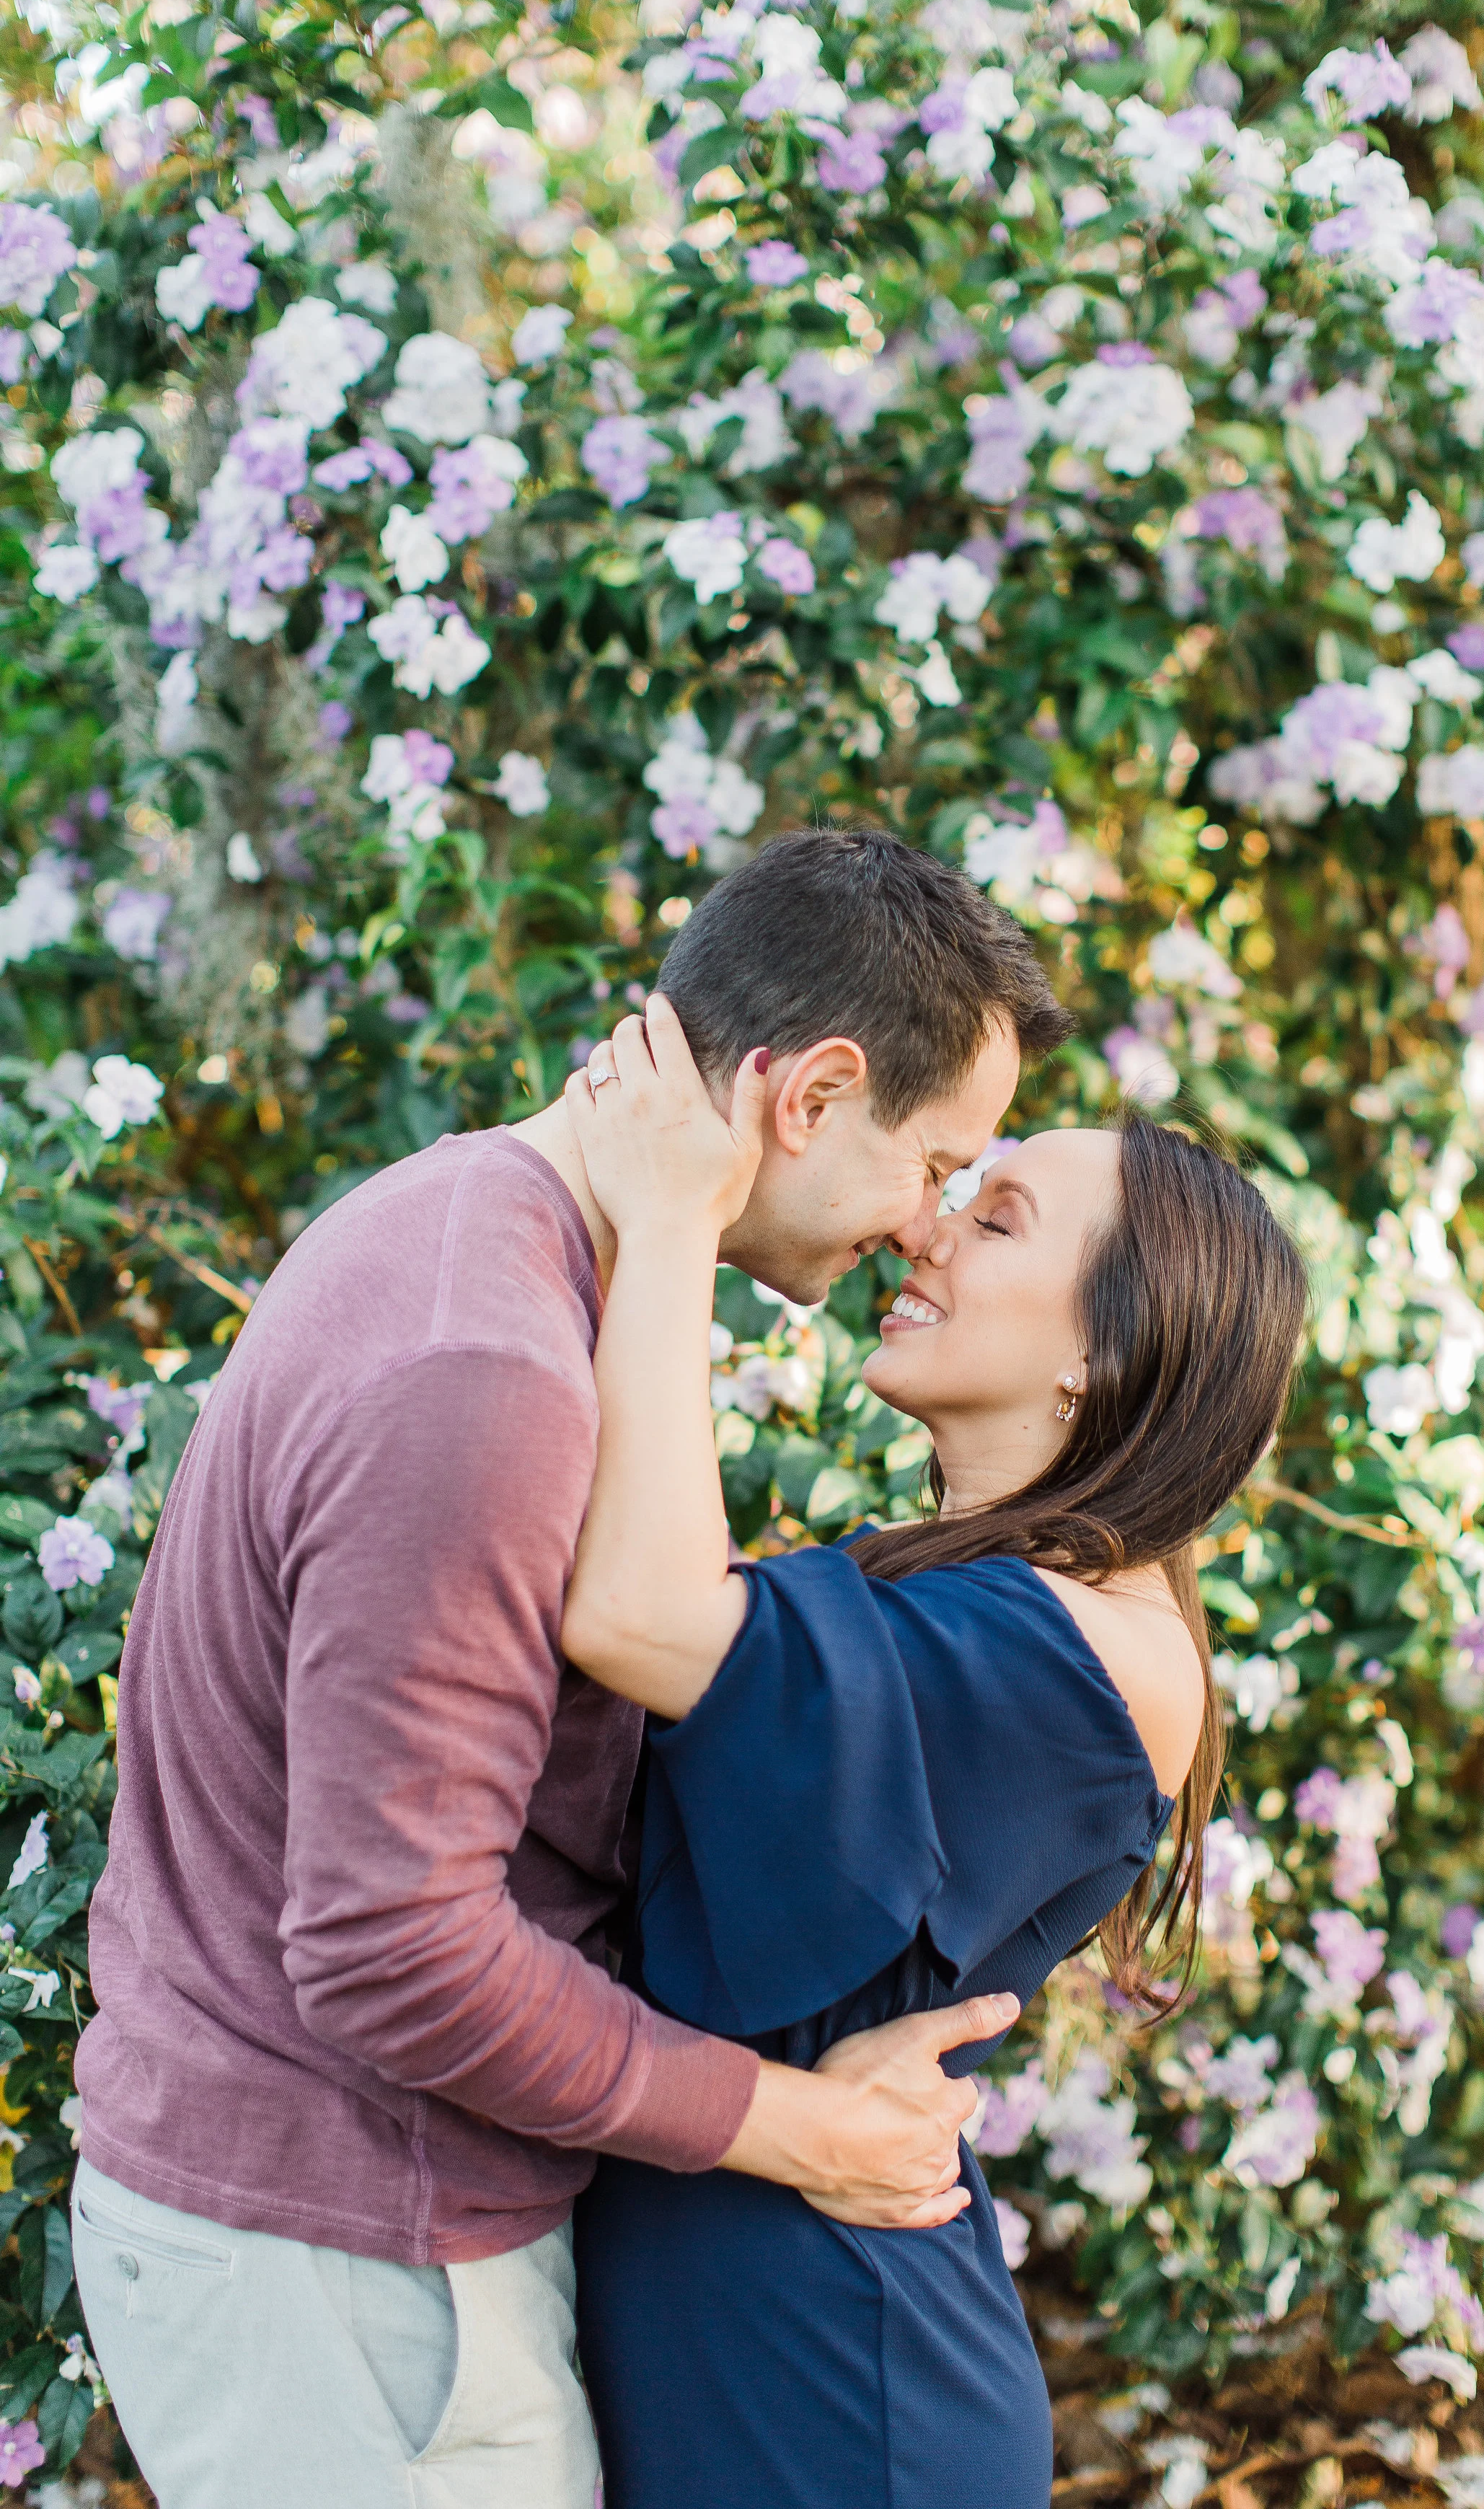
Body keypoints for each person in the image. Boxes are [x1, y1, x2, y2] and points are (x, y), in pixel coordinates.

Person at [70, 830, 1074, 2509]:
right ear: (811, 1099)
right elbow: (392, 1944)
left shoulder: (493, 1241)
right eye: (939, 1164)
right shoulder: (487, 1368)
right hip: (346, 2261)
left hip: (346, 2233)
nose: (931, 1232)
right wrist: (792, 2126)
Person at [557, 993, 1309, 2509]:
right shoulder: (966, 1591)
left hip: (841, 2395)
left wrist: (666, 1216)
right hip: (752, 2331)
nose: (926, 1234)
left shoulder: (1086, 1654)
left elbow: (637, 1613)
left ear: (1106, 1349)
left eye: (999, 1216)